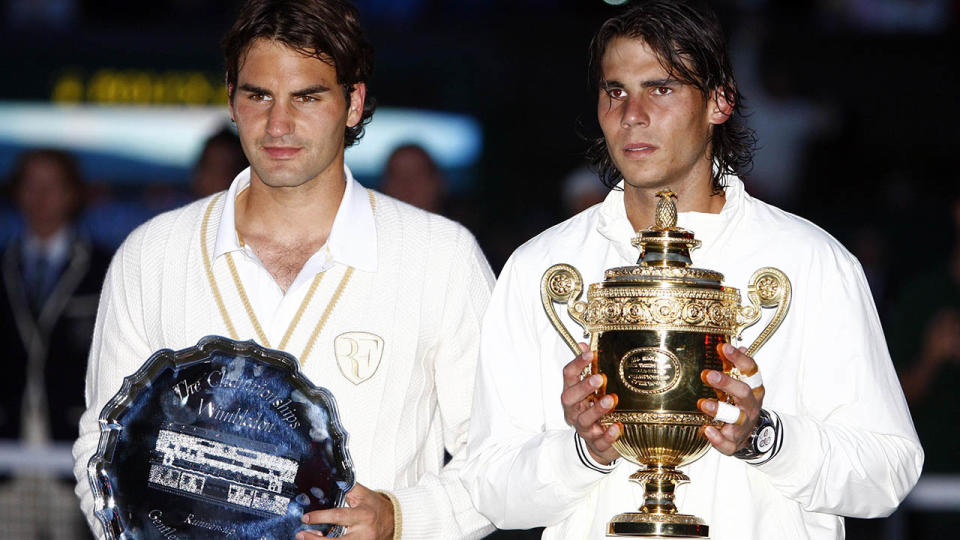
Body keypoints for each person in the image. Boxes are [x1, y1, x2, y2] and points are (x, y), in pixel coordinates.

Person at [461, 2, 922, 539]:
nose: (632, 113)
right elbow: (491, 491)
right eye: (615, 91)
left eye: (661, 88)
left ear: (719, 101)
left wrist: (765, 438)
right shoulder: (540, 267)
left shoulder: (812, 261)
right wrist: (582, 452)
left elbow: (889, 474)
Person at [72, 1, 495, 539]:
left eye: (307, 97)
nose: (279, 124)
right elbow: (103, 447)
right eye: (259, 95)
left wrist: (400, 519)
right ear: (231, 100)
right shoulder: (152, 256)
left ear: (354, 103)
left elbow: (497, 459)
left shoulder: (440, 257)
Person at [0, 148, 108, 539]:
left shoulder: (103, 269)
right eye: (31, 186)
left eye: (52, 186)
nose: (40, 197)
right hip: (8, 447)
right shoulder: (4, 265)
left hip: (73, 447)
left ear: (72, 194)